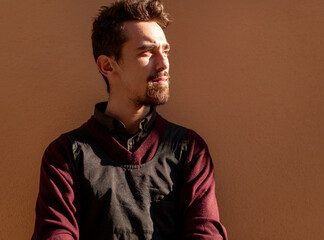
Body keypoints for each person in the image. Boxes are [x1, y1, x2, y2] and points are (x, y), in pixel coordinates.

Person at [32, 0, 227, 239]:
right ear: (107, 66)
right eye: (147, 51)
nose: (164, 63)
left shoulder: (190, 150)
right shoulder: (65, 156)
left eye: (165, 51)